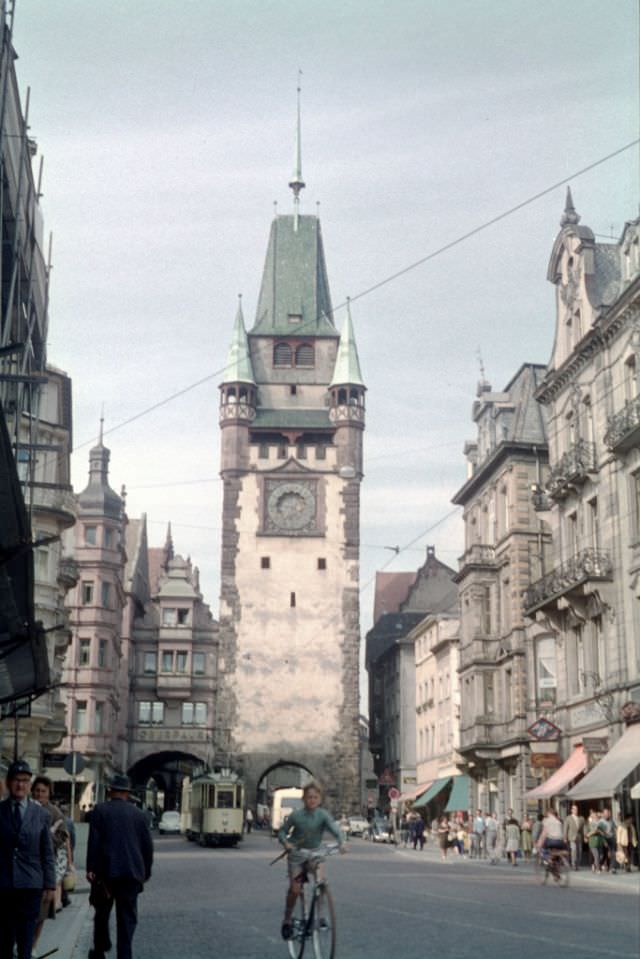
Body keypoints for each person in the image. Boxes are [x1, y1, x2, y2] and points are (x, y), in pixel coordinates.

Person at [86, 772, 153, 959]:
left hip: (105, 874)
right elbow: (147, 848)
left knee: (101, 915)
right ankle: (124, 955)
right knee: (127, 920)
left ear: (110, 791)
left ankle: (99, 950)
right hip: (131, 874)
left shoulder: (100, 811)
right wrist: (145, 872)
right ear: (127, 793)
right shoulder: (140, 815)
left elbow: (94, 843)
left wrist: (91, 868)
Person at [0, 760, 56, 959]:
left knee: (25, 941)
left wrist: (50, 884)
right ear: (8, 782)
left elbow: (47, 853)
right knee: (4, 940)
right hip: (4, 886)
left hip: (31, 885)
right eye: (16, 780)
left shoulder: (40, 814)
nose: (20, 785)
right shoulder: (1, 811)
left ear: (29, 784)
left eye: (25, 781)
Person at [277, 781, 345, 941]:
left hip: (315, 854)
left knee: (321, 880)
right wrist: (286, 842)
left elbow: (335, 829)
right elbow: (282, 831)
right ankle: (287, 919)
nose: (312, 800)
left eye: (315, 797)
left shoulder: (323, 815)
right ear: (304, 799)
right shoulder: (296, 816)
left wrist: (342, 841)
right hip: (298, 857)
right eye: (309, 797)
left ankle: (320, 917)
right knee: (295, 889)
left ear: (319, 799)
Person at [30, 776, 72, 948]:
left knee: (41, 913)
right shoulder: (27, 809)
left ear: (49, 794)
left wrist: (48, 836)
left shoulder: (55, 813)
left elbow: (62, 838)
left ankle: (32, 946)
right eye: (37, 791)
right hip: (27, 866)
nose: (40, 794)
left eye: (43, 792)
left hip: (46, 866)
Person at [563, 804, 584, 871]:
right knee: (574, 851)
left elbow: (582, 829)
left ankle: (577, 864)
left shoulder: (580, 818)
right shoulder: (568, 818)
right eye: (574, 809)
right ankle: (573, 865)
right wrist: (565, 837)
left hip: (579, 837)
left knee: (579, 852)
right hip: (571, 837)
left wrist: (584, 837)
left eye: (577, 809)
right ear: (571, 810)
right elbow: (565, 828)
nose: (576, 810)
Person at [598, 808, 617, 873]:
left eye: (607, 813)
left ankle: (613, 868)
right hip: (604, 839)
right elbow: (600, 832)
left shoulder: (611, 821)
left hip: (611, 838)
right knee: (605, 855)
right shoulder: (601, 822)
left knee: (613, 853)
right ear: (603, 814)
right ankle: (599, 865)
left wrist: (615, 836)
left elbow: (615, 829)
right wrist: (604, 841)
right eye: (605, 813)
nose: (606, 815)